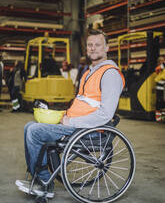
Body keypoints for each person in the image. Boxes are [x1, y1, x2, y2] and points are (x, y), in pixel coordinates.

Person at [15, 29, 125, 198]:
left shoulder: (110, 74)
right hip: (77, 124)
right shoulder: (89, 72)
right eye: (90, 45)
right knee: (30, 125)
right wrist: (61, 115)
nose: (93, 48)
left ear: (107, 48)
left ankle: (44, 183)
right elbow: (83, 104)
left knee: (34, 131)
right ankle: (37, 175)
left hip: (90, 130)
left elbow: (105, 114)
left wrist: (71, 122)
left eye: (97, 45)